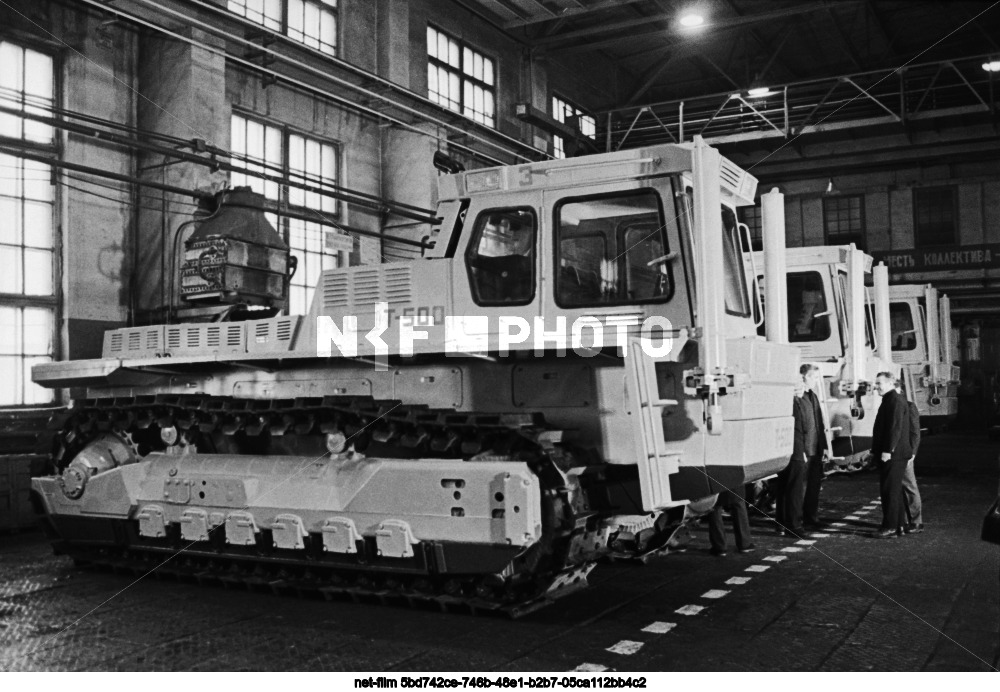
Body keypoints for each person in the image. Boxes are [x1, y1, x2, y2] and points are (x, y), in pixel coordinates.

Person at [776, 363, 827, 536]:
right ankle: (792, 524)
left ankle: (809, 517)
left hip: (813, 450)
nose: (815, 381)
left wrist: (823, 447)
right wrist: (800, 451)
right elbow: (794, 427)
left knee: (812, 486)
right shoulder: (795, 398)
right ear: (802, 376)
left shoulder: (812, 396)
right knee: (794, 489)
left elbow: (818, 423)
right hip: (800, 451)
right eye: (813, 377)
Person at [870, 372, 913, 538]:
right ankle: (900, 525)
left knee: (889, 491)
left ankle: (889, 527)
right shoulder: (893, 399)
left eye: (879, 383)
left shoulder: (893, 400)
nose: (876, 386)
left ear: (890, 384)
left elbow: (894, 429)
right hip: (898, 454)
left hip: (893, 454)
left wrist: (888, 450)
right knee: (895, 491)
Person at [899, 381, 924, 534]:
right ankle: (904, 521)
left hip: (906, 454)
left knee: (910, 487)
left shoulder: (909, 406)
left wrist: (913, 453)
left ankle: (916, 522)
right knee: (902, 488)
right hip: (898, 455)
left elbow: (915, 432)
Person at [707, 486, 755, 556]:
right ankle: (744, 544)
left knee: (714, 506)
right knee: (738, 503)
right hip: (733, 478)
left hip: (713, 480)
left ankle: (719, 547)